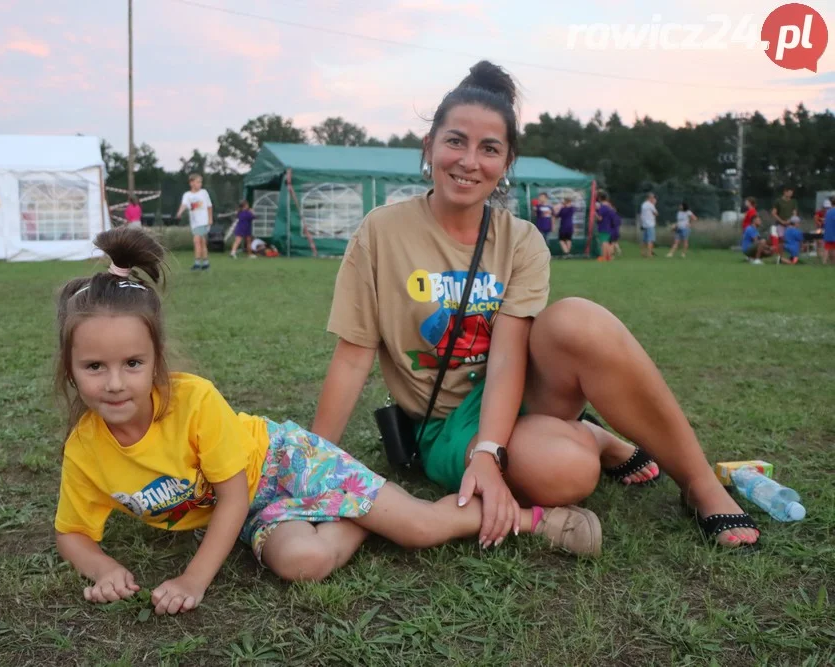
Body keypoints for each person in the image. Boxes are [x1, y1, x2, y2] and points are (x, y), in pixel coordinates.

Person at [311, 60, 759, 552]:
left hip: (518, 391)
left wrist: (489, 453)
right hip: (443, 423)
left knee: (579, 320)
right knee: (567, 471)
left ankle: (699, 483)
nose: (468, 161)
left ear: (506, 163)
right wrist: (312, 462)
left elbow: (507, 357)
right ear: (429, 147)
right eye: (455, 141)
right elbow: (353, 358)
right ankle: (595, 439)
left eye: (489, 149)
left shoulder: (521, 240)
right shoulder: (381, 232)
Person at [52, 229, 603, 617]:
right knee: (303, 561)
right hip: (247, 507)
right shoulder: (86, 449)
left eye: (132, 363)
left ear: (157, 361)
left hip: (282, 463)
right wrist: (101, 567)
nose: (116, 383)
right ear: (70, 371)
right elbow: (72, 531)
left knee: (417, 528)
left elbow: (234, 496)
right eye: (94, 367)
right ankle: (361, 516)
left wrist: (193, 578)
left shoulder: (193, 402)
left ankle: (539, 522)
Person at [175, 174, 213, 271]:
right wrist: (179, 212)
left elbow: (209, 206)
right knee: (202, 242)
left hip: (203, 221)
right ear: (191, 183)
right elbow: (184, 204)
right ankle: (205, 263)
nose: (199, 184)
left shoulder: (204, 193)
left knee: (197, 241)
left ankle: (197, 264)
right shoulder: (187, 195)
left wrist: (210, 219)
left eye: (200, 182)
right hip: (195, 223)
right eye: (197, 182)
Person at [594, 192, 615, 261]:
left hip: (603, 226)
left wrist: (595, 213)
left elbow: (600, 218)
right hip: (609, 226)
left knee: (604, 242)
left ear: (600, 198)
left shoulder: (603, 207)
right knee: (607, 242)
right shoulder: (609, 207)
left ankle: (604, 257)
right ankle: (608, 257)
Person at [639, 192, 658, 258]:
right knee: (650, 240)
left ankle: (643, 253)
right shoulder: (651, 205)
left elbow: (642, 214)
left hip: (645, 224)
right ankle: (649, 254)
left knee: (644, 240)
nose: (654, 199)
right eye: (653, 198)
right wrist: (654, 204)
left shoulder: (643, 204)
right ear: (650, 198)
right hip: (650, 224)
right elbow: (656, 213)